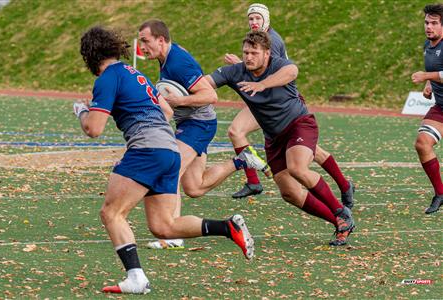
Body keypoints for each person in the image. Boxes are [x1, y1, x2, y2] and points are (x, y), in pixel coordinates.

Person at [74, 26, 255, 294]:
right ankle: (228, 227)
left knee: (111, 213)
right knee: (164, 226)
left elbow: (94, 129)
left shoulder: (107, 78)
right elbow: (167, 110)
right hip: (169, 148)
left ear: (89, 55)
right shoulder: (136, 74)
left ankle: (136, 278)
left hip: (147, 150)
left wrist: (82, 111)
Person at [207, 31, 356, 246]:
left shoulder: (278, 65)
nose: (249, 57)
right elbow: (206, 82)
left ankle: (341, 211)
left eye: (254, 53)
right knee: (289, 193)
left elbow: (292, 71)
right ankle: (339, 221)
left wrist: (264, 84)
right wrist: (181, 94)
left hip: (299, 125)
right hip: (273, 138)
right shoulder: (236, 71)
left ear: (267, 53)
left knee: (297, 168)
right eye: (246, 52)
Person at [137, 19, 268, 249]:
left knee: (171, 170)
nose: (142, 47)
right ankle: (241, 161)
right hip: (191, 122)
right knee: (194, 187)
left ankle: (171, 236)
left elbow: (210, 95)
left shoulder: (177, 62)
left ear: (160, 39)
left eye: (145, 41)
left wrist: (178, 101)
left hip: (198, 123)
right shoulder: (167, 57)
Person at [224, 3, 355, 207]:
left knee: (236, 131)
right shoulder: (258, 40)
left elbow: (274, 74)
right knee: (313, 151)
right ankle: (344, 185)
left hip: (276, 100)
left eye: (258, 18)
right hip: (263, 97)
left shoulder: (271, 42)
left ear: (266, 20)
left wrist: (238, 69)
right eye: (251, 19)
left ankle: (254, 181)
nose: (254, 22)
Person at [411, 3, 443, 214]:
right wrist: (429, 85)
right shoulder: (427, 45)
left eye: (434, 23)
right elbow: (436, 71)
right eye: (426, 22)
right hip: (441, 107)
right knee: (423, 144)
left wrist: (426, 77)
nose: (428, 27)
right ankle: (440, 193)